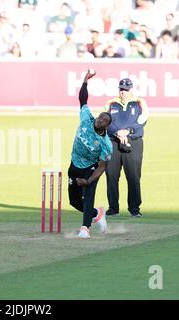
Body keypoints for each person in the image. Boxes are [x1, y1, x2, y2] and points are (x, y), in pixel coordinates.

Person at [68, 69, 113, 239]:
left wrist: (88, 180)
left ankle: (85, 229)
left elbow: (102, 167)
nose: (100, 120)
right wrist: (85, 80)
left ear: (106, 126)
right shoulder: (87, 117)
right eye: (100, 117)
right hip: (74, 164)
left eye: (104, 121)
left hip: (90, 168)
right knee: (74, 202)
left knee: (88, 195)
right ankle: (97, 213)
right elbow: (82, 99)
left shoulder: (106, 144)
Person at [104, 78, 149, 218]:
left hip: (133, 142)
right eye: (121, 89)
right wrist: (117, 132)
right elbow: (105, 121)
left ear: (131, 90)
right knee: (111, 176)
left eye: (126, 89)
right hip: (113, 142)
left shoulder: (140, 102)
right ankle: (113, 208)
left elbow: (142, 120)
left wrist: (127, 131)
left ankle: (134, 209)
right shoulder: (111, 103)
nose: (123, 92)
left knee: (133, 177)